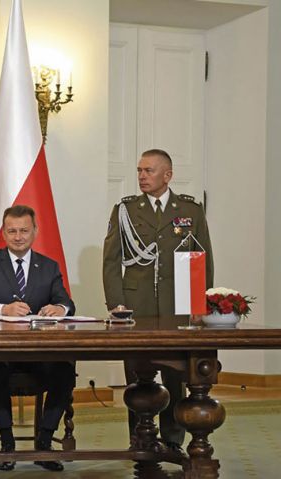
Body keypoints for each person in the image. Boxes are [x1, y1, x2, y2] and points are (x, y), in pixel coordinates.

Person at [102, 148, 214, 454]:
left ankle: (173, 440)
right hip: (137, 306)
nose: (141, 176)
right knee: (138, 376)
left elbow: (201, 259)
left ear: (168, 175)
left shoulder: (190, 211)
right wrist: (116, 302)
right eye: (139, 170)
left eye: (148, 171)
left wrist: (200, 306)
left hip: (177, 305)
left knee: (176, 377)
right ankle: (140, 437)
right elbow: (111, 260)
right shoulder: (125, 210)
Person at [0, 205, 76, 472]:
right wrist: (2, 309)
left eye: (24, 231)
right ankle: (7, 445)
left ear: (35, 232)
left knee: (64, 371)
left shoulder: (49, 267)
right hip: (0, 352)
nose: (18, 237)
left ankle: (44, 443)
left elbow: (66, 301)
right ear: (4, 233)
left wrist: (59, 309)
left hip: (39, 352)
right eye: (12, 231)